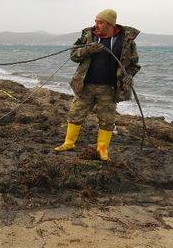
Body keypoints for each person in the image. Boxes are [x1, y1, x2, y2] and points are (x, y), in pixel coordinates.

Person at [54, 9, 140, 161]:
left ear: (110, 24)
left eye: (100, 22)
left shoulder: (126, 40)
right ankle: (68, 143)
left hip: (109, 88)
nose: (96, 25)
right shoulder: (88, 36)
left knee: (107, 120)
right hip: (85, 85)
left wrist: (129, 76)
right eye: (96, 21)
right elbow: (73, 55)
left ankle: (102, 149)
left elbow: (133, 65)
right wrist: (87, 49)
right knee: (75, 114)